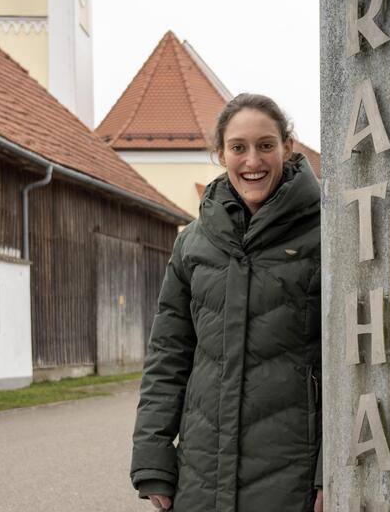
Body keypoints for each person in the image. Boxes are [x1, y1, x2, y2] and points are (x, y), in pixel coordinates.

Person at [131, 93, 323, 512]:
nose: (252, 160)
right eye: (238, 147)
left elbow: (346, 364)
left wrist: (332, 470)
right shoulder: (192, 243)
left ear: (288, 147)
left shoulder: (326, 234)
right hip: (202, 474)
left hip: (292, 474)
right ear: (220, 153)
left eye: (265, 145)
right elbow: (168, 355)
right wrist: (153, 460)